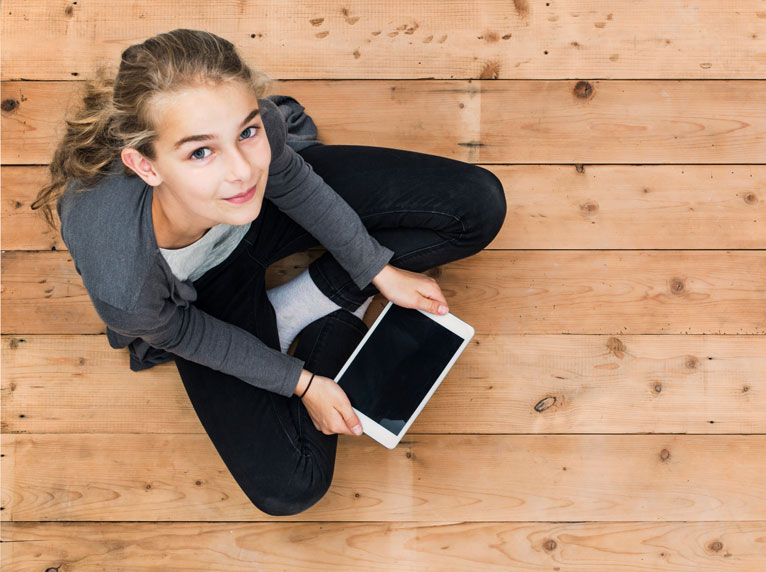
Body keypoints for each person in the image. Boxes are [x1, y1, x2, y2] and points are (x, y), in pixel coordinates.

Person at [31, 29, 506, 516]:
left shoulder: (255, 147)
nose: (242, 169)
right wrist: (305, 383)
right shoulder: (124, 282)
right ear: (146, 166)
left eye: (246, 132)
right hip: (203, 292)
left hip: (264, 218)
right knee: (291, 485)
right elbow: (183, 333)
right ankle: (320, 309)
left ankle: (316, 296)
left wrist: (378, 269)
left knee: (479, 205)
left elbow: (292, 181)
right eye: (200, 151)